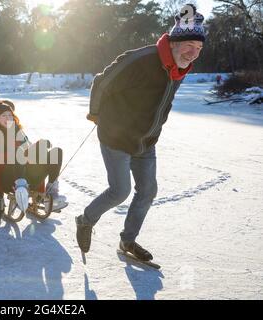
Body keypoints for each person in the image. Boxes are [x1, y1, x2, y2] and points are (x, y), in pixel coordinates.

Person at [75, 4, 205, 261]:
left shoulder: (178, 68)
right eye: (190, 45)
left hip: (146, 141)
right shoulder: (142, 59)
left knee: (147, 191)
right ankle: (85, 220)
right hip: (116, 137)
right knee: (120, 191)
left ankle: (128, 241)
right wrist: (96, 113)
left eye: (199, 48)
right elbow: (102, 82)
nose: (194, 54)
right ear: (175, 42)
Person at [0, 101, 67, 214]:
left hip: (27, 175)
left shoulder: (17, 131)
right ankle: (14, 191)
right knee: (15, 152)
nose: (8, 118)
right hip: (8, 181)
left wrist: (40, 145)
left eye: (10, 115)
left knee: (56, 152)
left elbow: (27, 151)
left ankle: (50, 192)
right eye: (4, 115)